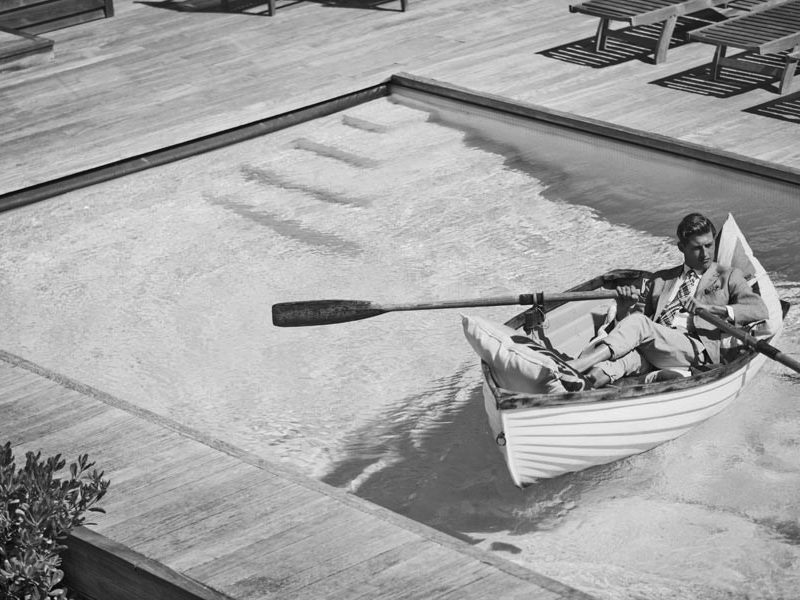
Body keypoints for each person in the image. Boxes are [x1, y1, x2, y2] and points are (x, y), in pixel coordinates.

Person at [566, 213, 768, 388]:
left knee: (639, 324)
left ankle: (576, 365)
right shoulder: (661, 279)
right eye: (697, 248)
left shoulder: (728, 275)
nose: (705, 254)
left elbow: (759, 309)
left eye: (709, 245)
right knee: (606, 368)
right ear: (681, 247)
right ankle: (572, 389)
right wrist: (623, 308)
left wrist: (715, 310)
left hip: (694, 347)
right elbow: (631, 328)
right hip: (653, 346)